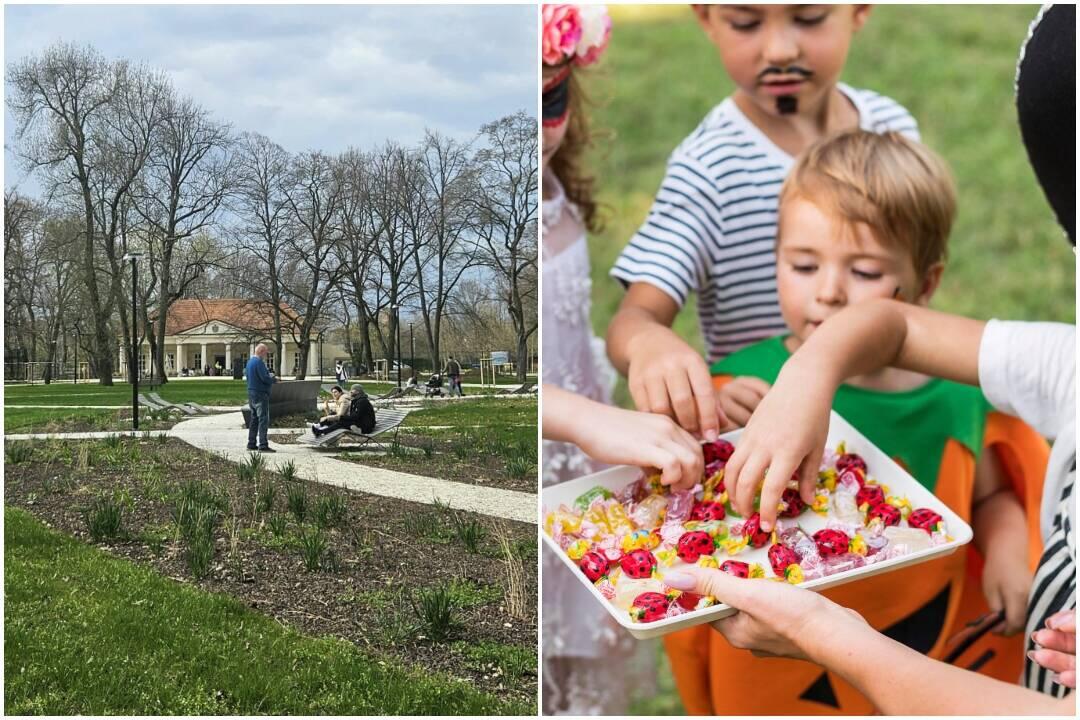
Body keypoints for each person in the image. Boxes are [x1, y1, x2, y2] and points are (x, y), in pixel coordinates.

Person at [670, 4, 1075, 711]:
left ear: (925, 284)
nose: (828, 295)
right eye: (801, 264)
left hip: (931, 652)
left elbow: (991, 489)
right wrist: (722, 427)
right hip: (781, 667)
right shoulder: (751, 387)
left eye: (862, 272)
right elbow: (685, 507)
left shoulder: (956, 391)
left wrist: (1011, 545)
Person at [605, 4, 920, 442]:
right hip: (764, 427)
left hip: (890, 417)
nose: (780, 50)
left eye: (809, 18)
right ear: (705, 17)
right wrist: (647, 344)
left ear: (860, 9)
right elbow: (635, 315)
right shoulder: (709, 170)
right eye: (746, 22)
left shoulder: (892, 128)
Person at [540, 6, 667, 715]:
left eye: (551, 98)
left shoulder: (557, 202)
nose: (535, 130)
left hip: (580, 482)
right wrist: (580, 418)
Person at [245, 343, 277, 452]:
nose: (266, 354)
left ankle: (251, 443)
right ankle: (263, 445)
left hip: (251, 393)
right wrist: (273, 379)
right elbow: (264, 378)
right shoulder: (259, 363)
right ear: (261, 351)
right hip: (260, 393)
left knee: (254, 419)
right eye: (266, 352)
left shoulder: (249, 362)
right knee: (263, 419)